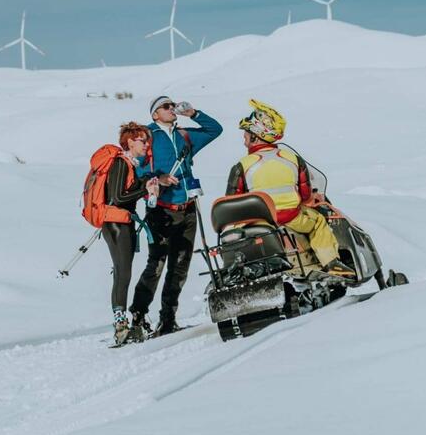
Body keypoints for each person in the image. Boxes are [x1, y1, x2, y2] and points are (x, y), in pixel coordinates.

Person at [225, 99, 354, 277]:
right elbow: (305, 195)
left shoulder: (242, 165)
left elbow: (232, 201)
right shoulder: (292, 158)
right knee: (318, 222)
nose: (244, 137)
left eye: (247, 132)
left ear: (256, 135)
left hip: (258, 220)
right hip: (291, 217)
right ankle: (331, 263)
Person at [129, 96, 223, 336]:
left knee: (180, 267)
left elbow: (215, 130)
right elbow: (135, 169)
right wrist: (157, 178)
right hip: (161, 210)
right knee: (156, 265)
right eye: (166, 106)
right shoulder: (147, 136)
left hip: (188, 208)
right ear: (155, 114)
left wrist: (193, 114)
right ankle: (137, 317)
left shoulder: (183, 135)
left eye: (173, 105)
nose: (172, 109)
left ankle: (168, 319)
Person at [101, 122, 161, 345]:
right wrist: (144, 189)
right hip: (116, 222)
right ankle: (120, 325)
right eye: (142, 141)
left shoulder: (130, 165)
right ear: (130, 142)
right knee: (123, 273)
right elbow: (118, 197)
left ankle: (121, 324)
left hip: (120, 222)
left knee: (122, 272)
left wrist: (144, 184)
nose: (146, 145)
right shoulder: (120, 163)